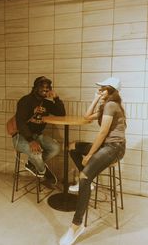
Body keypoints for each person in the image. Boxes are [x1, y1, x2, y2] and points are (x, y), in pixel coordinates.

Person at [59, 77, 126, 245]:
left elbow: (103, 133)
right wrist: (96, 98)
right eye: (100, 89)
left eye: (103, 89)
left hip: (114, 148)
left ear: (112, 91)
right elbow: (87, 116)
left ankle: (76, 226)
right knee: (72, 146)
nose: (100, 91)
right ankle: (88, 181)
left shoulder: (111, 105)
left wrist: (89, 156)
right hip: (106, 146)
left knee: (84, 176)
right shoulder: (106, 105)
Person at [12, 76, 66, 185]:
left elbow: (61, 113)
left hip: (37, 136)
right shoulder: (25, 100)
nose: (45, 89)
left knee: (55, 148)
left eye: (48, 87)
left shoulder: (46, 103)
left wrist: (56, 98)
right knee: (36, 153)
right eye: (42, 87)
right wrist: (31, 141)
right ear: (35, 87)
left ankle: (32, 164)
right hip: (21, 137)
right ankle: (44, 172)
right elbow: (20, 123)